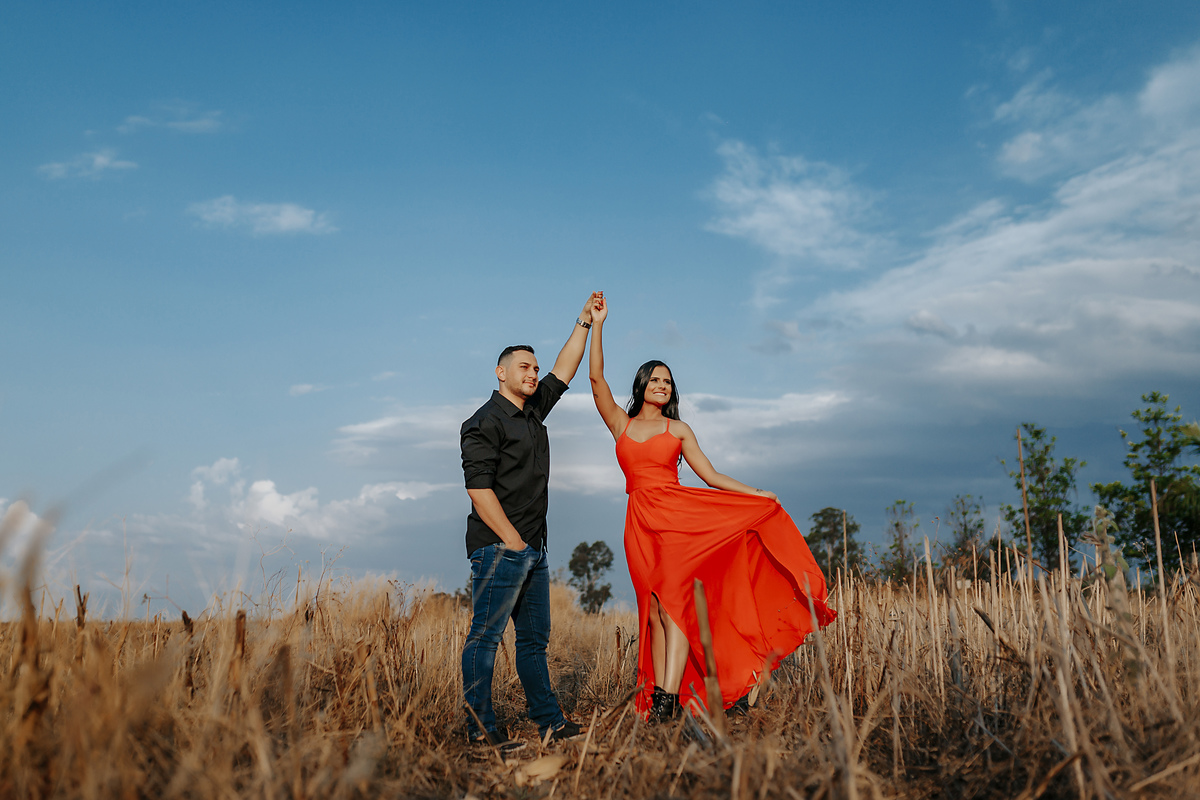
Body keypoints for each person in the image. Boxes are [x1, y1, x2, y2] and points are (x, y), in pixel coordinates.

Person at [587, 294, 836, 721]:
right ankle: (668, 695)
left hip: (680, 522)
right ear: (642, 385)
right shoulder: (621, 425)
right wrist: (598, 325)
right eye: (656, 380)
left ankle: (665, 702)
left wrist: (758, 494)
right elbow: (595, 380)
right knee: (653, 614)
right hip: (639, 525)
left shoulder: (679, 429)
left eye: (668, 381)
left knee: (675, 606)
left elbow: (712, 476)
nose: (663, 386)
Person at [459, 292, 599, 751]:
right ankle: (480, 728)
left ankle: (549, 722)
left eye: (535, 369)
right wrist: (514, 542)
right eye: (524, 367)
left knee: (534, 643)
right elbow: (479, 493)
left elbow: (565, 368)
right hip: (500, 547)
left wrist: (584, 321)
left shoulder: (535, 410)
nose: (534, 374)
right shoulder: (482, 423)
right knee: (485, 636)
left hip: (532, 549)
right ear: (501, 372)